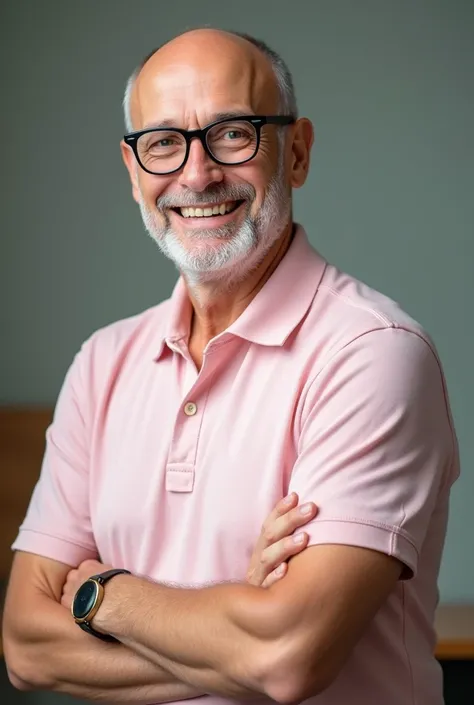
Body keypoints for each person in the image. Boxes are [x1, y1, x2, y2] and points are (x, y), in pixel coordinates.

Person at [3, 27, 460, 705]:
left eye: (233, 133)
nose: (196, 174)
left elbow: (289, 656)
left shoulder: (372, 352)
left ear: (296, 152)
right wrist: (242, 619)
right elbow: (25, 644)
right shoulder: (101, 363)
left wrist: (106, 596)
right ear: (134, 174)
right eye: (162, 143)